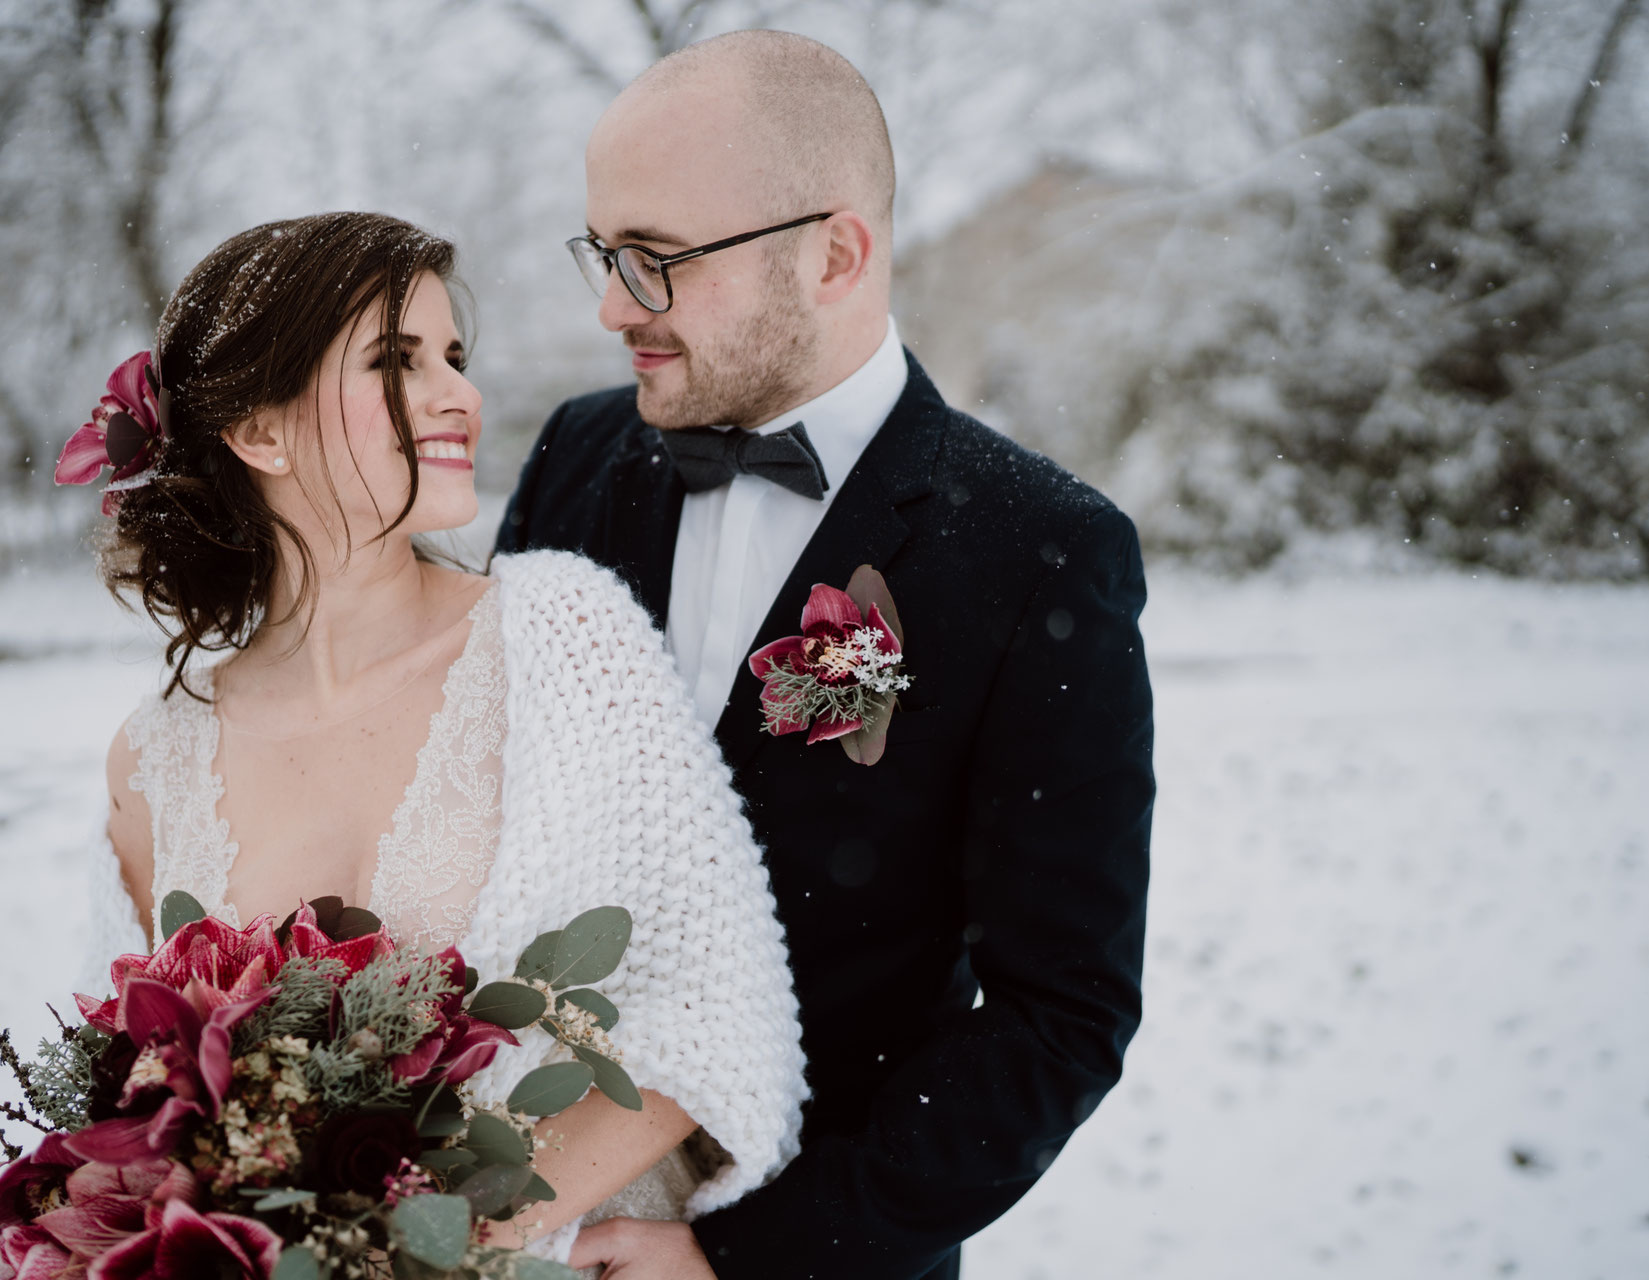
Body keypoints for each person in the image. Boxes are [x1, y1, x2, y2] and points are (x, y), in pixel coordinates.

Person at [497, 31, 1155, 1280]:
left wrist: (749, 1255)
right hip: (517, 1216)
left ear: (837, 252)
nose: (609, 306)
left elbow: (1059, 1015)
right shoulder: (575, 458)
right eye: (602, 252)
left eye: (655, 260)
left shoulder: (1039, 554)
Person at [76, 211, 806, 1262]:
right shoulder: (154, 760)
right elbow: (140, 1118)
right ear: (260, 430)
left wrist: (430, 1245)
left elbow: (705, 1016)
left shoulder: (566, 631)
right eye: (393, 360)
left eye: (455, 357)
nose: (459, 391)